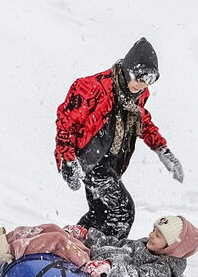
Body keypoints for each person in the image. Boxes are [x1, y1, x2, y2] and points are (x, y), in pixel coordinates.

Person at [54, 37, 183, 240]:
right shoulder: (93, 88)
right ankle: (107, 256)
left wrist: (162, 150)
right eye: (140, 78)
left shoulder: (137, 94)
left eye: (149, 81)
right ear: (129, 69)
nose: (142, 85)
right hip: (91, 161)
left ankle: (69, 246)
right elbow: (66, 123)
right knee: (123, 212)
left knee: (99, 215)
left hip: (112, 163)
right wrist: (67, 161)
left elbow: (143, 120)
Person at [0, 215, 198, 277]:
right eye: (154, 229)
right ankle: (1, 238)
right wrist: (87, 233)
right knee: (53, 227)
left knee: (57, 240)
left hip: (94, 266)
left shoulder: (163, 267)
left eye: (158, 235)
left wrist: (109, 267)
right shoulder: (146, 245)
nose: (151, 235)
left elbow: (141, 276)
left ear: (173, 247)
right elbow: (116, 243)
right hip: (95, 254)